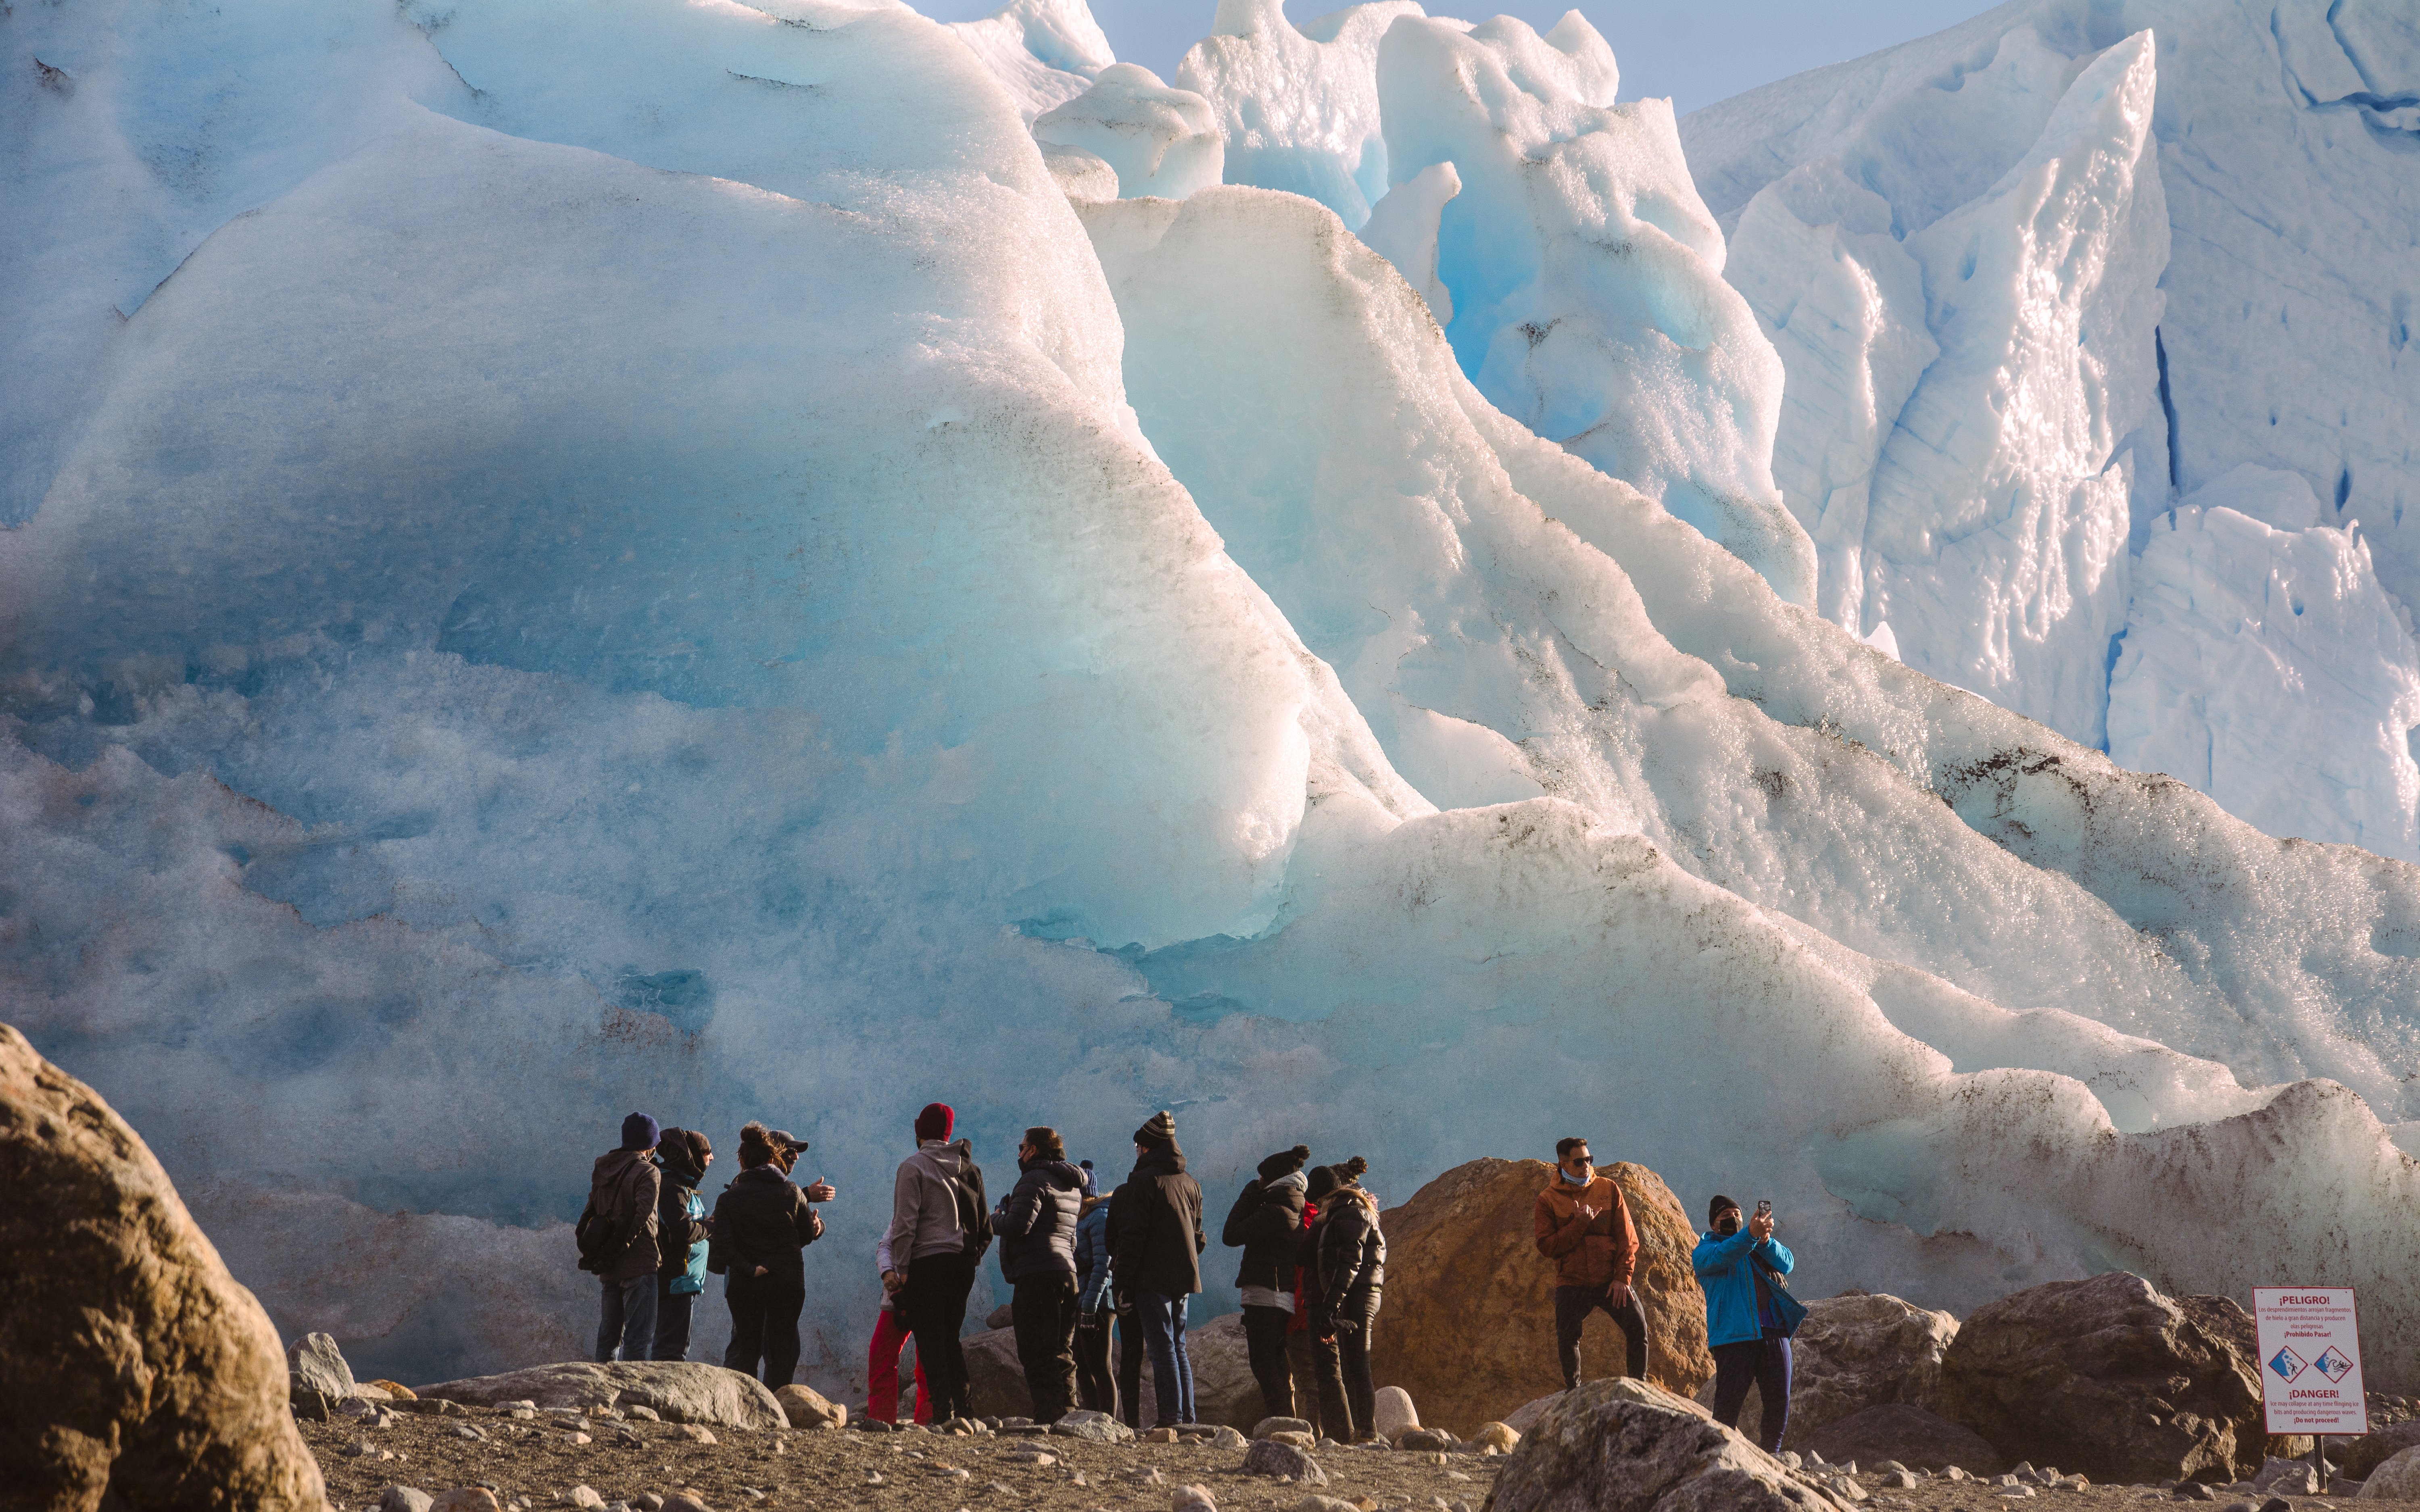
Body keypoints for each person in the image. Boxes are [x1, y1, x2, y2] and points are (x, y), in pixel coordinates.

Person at [884, 1102, 985, 1424]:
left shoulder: (912, 1167)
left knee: (929, 1340)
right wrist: (972, 1257)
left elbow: (904, 1224)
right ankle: (966, 1410)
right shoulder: (969, 1168)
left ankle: (943, 1412)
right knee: (950, 1337)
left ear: (919, 1132)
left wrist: (901, 1270)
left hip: (926, 1264)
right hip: (962, 1264)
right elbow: (985, 1225)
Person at [707, 1123, 831, 1386]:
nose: (795, 1158)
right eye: (789, 1153)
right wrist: (809, 1227)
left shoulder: (731, 1197)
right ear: (773, 1157)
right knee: (780, 1351)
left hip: (745, 1282)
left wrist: (749, 1268)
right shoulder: (792, 1191)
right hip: (785, 1281)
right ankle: (775, 1410)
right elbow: (805, 1235)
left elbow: (723, 1247)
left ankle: (741, 1410)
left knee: (746, 1350)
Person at [1111, 1109, 1206, 1428]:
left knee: (1162, 1348)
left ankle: (1170, 1418)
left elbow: (1132, 1237)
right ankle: (1187, 1419)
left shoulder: (1143, 1181)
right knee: (1178, 1347)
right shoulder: (1190, 1183)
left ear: (1147, 1147)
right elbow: (1199, 1238)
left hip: (1152, 1279)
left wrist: (1122, 1284)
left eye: (1138, 1146)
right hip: (1184, 1279)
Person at [1533, 1136, 1650, 1391]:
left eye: (1589, 1159)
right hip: (1573, 1282)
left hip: (1610, 1280)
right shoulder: (1548, 1200)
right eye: (1579, 1161)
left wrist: (1622, 1278)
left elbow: (1628, 1239)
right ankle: (1573, 1391)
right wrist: (1579, 1225)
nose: (1586, 1165)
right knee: (1567, 1336)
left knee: (1638, 1327)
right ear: (1563, 1164)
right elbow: (1547, 1246)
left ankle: (1640, 1389)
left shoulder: (1609, 1189)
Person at [993, 1125, 1085, 1422]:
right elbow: (1070, 1237)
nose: (1019, 1154)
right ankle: (1068, 1415)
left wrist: (995, 1218)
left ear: (1033, 1151)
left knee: (1036, 1351)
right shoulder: (1072, 1187)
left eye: (1022, 1148)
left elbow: (1018, 1226)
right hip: (1067, 1273)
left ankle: (1048, 1416)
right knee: (1062, 1351)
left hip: (1038, 1275)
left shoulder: (1033, 1180)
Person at [1694, 1195, 1796, 1453]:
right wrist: (1750, 1235)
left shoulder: (1756, 1246)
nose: (1734, 1219)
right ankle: (1718, 1456)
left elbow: (1788, 1262)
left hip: (1772, 1331)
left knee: (1779, 1399)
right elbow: (1724, 1255)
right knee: (1728, 1405)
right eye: (1726, 1217)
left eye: (1738, 1214)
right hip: (1734, 1338)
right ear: (1714, 1226)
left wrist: (1765, 1241)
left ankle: (1772, 1454)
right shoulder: (1706, 1251)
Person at [1223, 1143, 1310, 1420]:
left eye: (1262, 1178)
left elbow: (1231, 1234)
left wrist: (1250, 1192)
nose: (1259, 1182)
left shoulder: (1275, 1211)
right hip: (1279, 1296)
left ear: (1273, 1180)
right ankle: (1286, 1419)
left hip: (1265, 1295)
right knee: (1275, 1361)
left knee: (1263, 1363)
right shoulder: (1291, 1207)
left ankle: (1280, 1419)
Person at [1287, 1158, 1360, 1441]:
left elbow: (1303, 1262)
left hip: (1310, 1308)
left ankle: (1325, 1435)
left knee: (1316, 1379)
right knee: (1332, 1374)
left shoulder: (1315, 1221)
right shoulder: (1351, 1217)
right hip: (1334, 1307)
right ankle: (1341, 1432)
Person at [583, 1112, 664, 1363]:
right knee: (638, 1339)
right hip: (639, 1263)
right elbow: (643, 1215)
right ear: (651, 1144)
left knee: (608, 1337)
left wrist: (600, 1253)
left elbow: (589, 1214)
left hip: (609, 1265)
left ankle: (600, 1392)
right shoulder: (648, 1172)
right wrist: (623, 1245)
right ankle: (630, 1398)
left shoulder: (604, 1169)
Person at [1314, 1160, 1385, 1442]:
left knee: (1358, 1364)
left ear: (1326, 1196)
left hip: (1359, 1296)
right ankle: (1363, 1430)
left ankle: (1367, 1431)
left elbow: (1350, 1264)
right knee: (1354, 1363)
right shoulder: (1350, 1211)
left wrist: (1330, 1305)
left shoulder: (1349, 1214)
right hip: (1359, 1294)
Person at [651, 1127, 715, 1362]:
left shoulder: (685, 1186)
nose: (712, 1157)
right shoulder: (673, 1187)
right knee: (671, 1350)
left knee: (677, 1346)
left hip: (685, 1281)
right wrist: (711, 1226)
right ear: (693, 1156)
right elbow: (683, 1231)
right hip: (675, 1279)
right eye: (708, 1152)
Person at [867, 1231, 930, 1425]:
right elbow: (885, 1245)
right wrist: (887, 1272)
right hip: (897, 1298)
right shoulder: (902, 1208)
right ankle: (880, 1420)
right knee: (881, 1355)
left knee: (928, 1360)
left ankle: (927, 1421)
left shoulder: (942, 1207)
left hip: (929, 1295)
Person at [1070, 1161, 1116, 1414]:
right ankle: (1092, 1417)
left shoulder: (1099, 1217)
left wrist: (1090, 1305)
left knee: (1100, 1366)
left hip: (1098, 1304)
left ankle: (1107, 1422)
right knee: (1081, 1362)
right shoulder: (1081, 1218)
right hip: (1083, 1301)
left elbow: (1103, 1265)